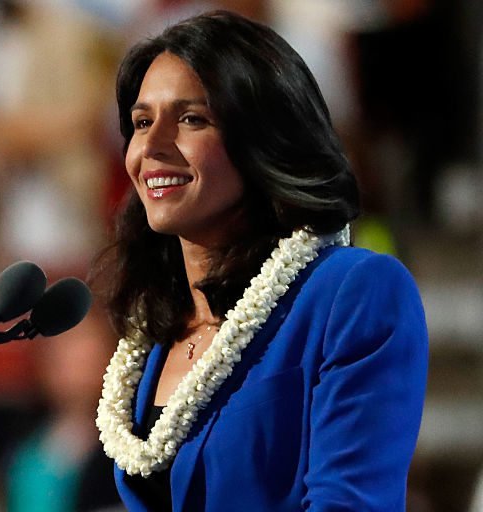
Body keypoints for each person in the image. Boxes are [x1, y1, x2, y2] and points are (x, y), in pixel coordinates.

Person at [93, 11, 428, 511]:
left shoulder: (353, 292)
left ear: (263, 137)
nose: (152, 148)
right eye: (142, 123)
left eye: (191, 119)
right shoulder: (156, 328)